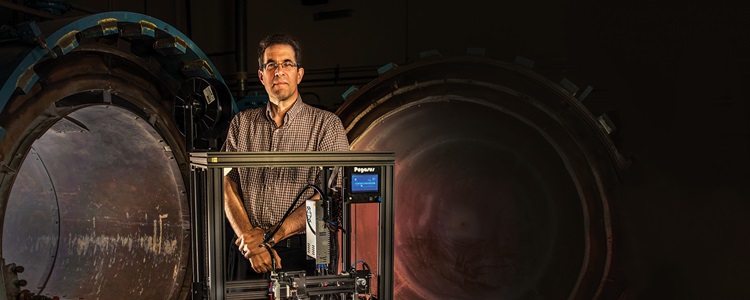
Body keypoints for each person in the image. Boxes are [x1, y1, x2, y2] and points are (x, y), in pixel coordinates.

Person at [222, 33, 350, 280]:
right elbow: (227, 183)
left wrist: (270, 237)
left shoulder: (326, 125)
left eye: (287, 64)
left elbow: (330, 193)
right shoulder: (242, 124)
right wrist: (251, 241)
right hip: (247, 250)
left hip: (298, 252)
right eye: (271, 65)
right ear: (262, 76)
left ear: (299, 74)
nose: (279, 71)